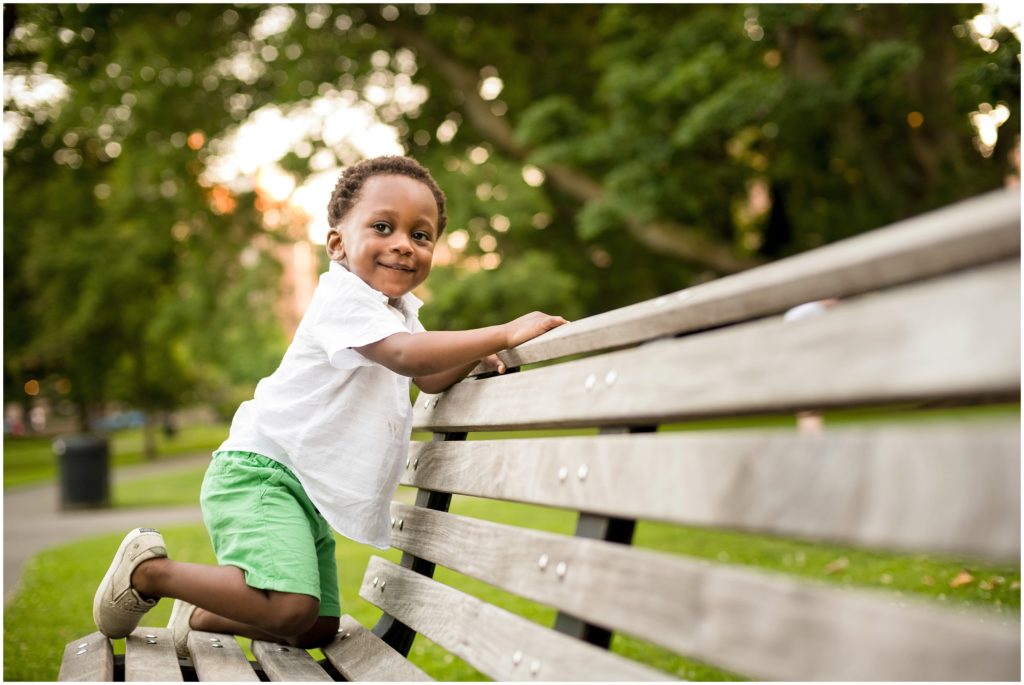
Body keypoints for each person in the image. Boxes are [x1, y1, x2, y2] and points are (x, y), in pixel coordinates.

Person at [92, 156, 567, 656]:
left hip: (302, 486)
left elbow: (428, 375)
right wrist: (503, 331)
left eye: (421, 235)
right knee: (292, 608)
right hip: (262, 473)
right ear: (338, 243)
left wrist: (473, 355)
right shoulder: (344, 298)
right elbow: (405, 358)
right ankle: (149, 573)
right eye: (383, 227)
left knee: (315, 625)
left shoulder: (397, 314)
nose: (404, 243)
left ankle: (207, 612)